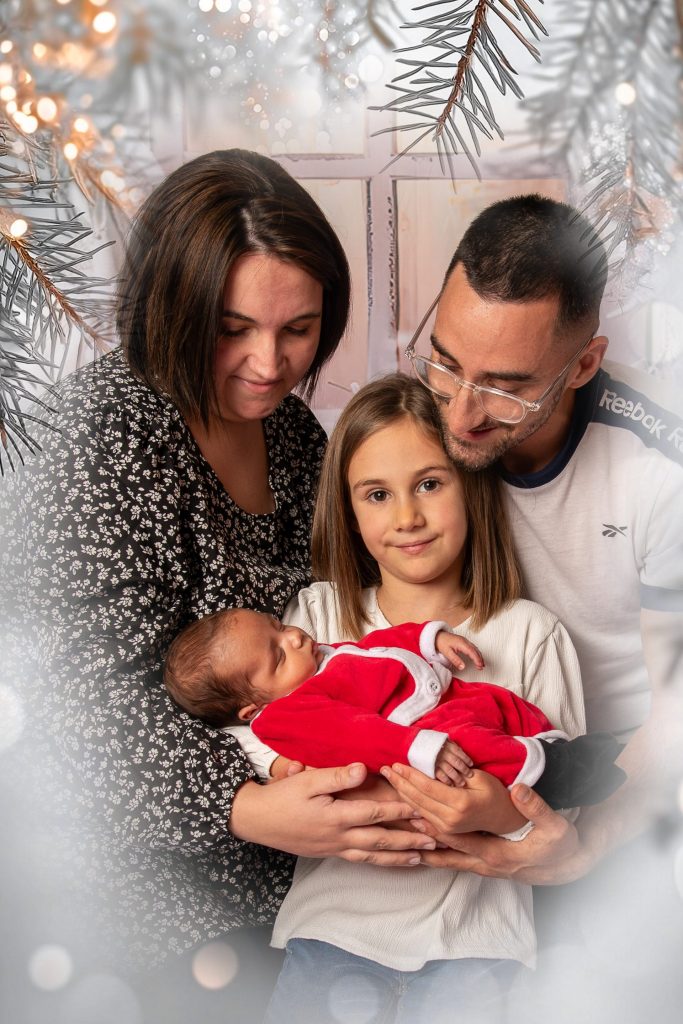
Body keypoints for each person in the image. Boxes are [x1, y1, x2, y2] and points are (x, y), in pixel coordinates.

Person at [0, 150, 432, 973]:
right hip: (157, 905)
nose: (270, 365)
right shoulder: (94, 440)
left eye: (297, 329)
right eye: (232, 330)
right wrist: (245, 807)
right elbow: (66, 706)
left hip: (313, 879)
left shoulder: (293, 433)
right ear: (170, 306)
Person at [222, 373, 589, 1024]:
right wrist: (282, 770)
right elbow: (250, 728)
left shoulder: (530, 633)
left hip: (476, 947)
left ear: (469, 484)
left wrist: (499, 813)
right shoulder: (314, 622)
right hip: (331, 933)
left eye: (429, 484)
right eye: (376, 494)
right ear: (349, 511)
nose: (406, 517)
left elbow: (568, 800)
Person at [392, 194, 683, 903]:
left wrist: (588, 845)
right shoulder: (413, 424)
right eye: (446, 364)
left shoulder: (660, 471)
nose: (462, 415)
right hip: (461, 750)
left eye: (506, 389)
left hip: (623, 773)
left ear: (583, 364)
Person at [164, 609, 624, 807]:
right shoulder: (284, 717)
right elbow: (354, 733)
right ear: (252, 708)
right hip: (419, 734)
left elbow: (375, 647)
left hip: (443, 699)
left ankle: (549, 743)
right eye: (278, 655)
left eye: (278, 626)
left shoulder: (320, 659)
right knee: (475, 749)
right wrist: (415, 748)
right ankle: (555, 777)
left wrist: (428, 639)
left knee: (501, 703)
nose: (295, 637)